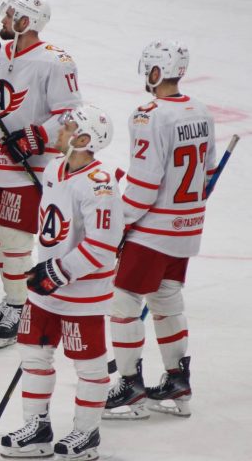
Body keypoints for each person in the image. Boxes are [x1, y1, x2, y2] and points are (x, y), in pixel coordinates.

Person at [0, 104, 123, 461]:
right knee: (33, 352)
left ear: (83, 140)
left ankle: (87, 434)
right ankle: (37, 428)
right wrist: (47, 272)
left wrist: (58, 272)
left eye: (68, 127)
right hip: (48, 286)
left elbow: (102, 247)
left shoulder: (100, 186)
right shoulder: (55, 167)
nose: (60, 130)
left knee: (89, 365)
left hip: (82, 290)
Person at [103, 41, 216, 420]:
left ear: (155, 72)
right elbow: (208, 172)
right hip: (187, 227)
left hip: (152, 231)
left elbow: (145, 185)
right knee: (167, 300)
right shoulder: (201, 110)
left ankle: (130, 387)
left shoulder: (148, 115)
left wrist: (119, 223)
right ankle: (177, 382)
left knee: (123, 301)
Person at [0, 0, 82, 348]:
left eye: (10, 15)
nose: (4, 19)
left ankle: (20, 305)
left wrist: (36, 136)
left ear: (25, 22)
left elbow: (70, 113)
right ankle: (13, 297)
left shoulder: (55, 61)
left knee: (16, 239)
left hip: (29, 167)